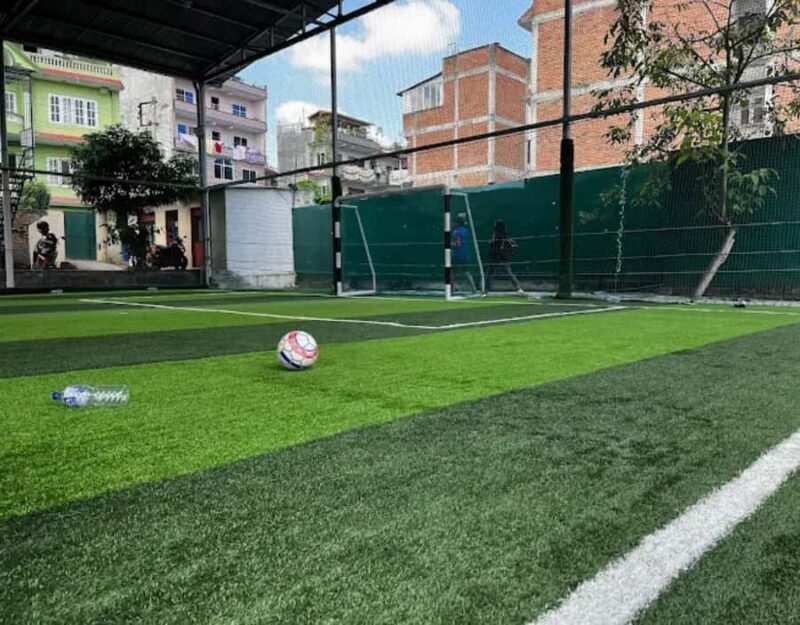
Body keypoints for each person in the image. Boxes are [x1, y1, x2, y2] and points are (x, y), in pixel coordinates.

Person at [486, 219, 523, 294]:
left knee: (490, 273)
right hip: (503, 257)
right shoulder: (504, 234)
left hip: (497, 256)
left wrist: (491, 243)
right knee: (508, 273)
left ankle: (486, 289)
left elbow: (495, 245)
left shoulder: (497, 235)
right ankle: (518, 288)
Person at [451, 216, 477, 292]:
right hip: (465, 254)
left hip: (457, 255)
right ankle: (473, 288)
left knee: (451, 271)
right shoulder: (466, 231)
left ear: (457, 223)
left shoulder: (456, 232)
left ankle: (451, 289)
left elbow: (458, 244)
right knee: (466, 271)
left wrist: (450, 245)